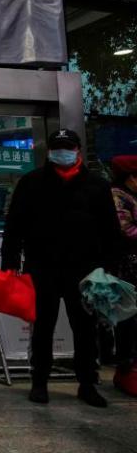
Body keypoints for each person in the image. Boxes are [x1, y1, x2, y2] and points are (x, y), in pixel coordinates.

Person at [1, 128, 119, 408]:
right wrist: (9, 263)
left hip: (85, 271)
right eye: (57, 147)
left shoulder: (97, 185)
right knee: (42, 328)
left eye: (67, 147)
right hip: (42, 268)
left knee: (85, 329)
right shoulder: (31, 183)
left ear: (78, 150)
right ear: (49, 151)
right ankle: (39, 381)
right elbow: (14, 226)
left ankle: (88, 383)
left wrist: (109, 269)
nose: (62, 152)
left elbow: (110, 232)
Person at [110, 155, 137, 396]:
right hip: (127, 268)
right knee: (129, 319)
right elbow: (125, 229)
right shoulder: (117, 197)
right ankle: (126, 369)